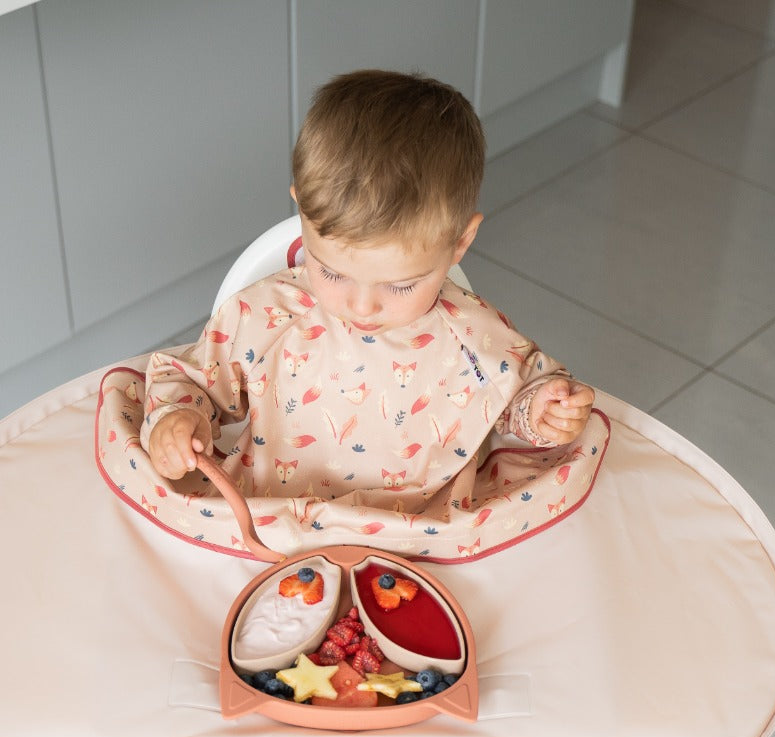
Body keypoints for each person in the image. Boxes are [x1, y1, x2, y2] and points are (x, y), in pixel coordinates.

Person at [135, 69, 595, 511]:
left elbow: (519, 395)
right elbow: (191, 380)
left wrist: (543, 411)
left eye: (400, 285)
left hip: (424, 536)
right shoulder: (265, 318)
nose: (362, 306)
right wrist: (178, 419)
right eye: (332, 273)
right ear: (302, 214)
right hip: (276, 525)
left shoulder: (473, 336)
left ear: (461, 242)